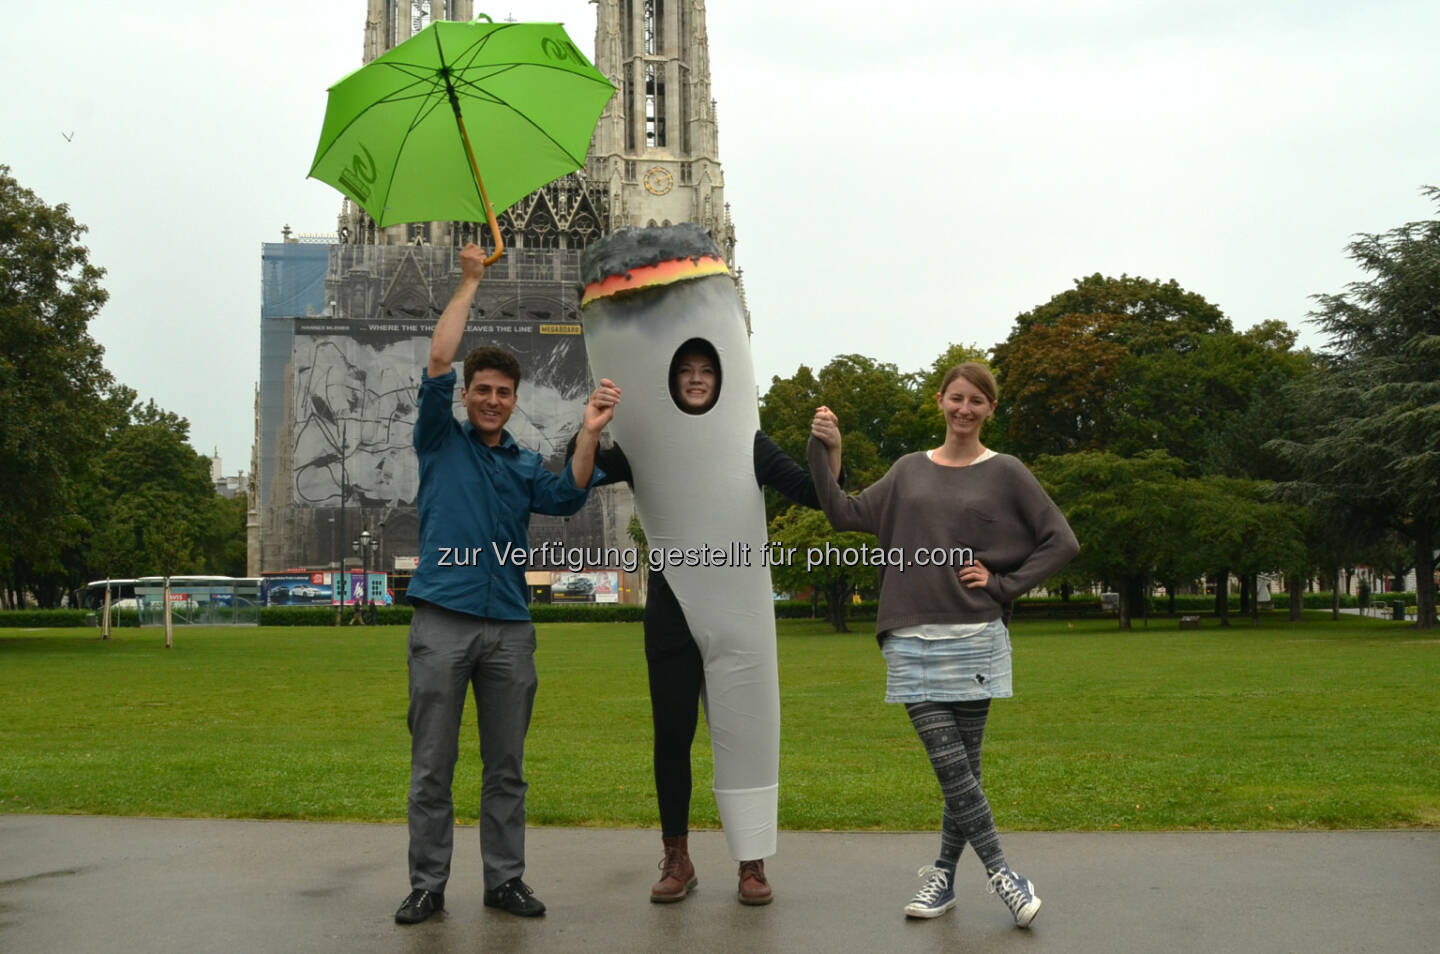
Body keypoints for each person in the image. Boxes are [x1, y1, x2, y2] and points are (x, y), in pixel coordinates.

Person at [393, 243, 621, 926]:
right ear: (467, 397)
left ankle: (504, 881)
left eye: (503, 393)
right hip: (442, 620)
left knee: (506, 771)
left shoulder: (522, 463)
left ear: (514, 401)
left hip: (510, 630)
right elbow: (438, 359)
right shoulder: (440, 440)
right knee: (433, 768)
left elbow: (567, 496)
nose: (492, 400)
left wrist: (588, 433)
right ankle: (428, 884)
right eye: (482, 391)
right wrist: (468, 283)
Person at [807, 362, 1078, 929]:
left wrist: (1004, 585)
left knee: (963, 775)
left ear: (989, 410)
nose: (965, 409)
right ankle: (1005, 873)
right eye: (957, 398)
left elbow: (1061, 541)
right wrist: (825, 450)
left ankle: (943, 880)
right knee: (951, 768)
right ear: (941, 401)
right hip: (909, 637)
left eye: (977, 401)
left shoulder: (1006, 472)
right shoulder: (908, 471)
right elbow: (842, 511)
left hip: (976, 638)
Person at [572, 340, 841, 906]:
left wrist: (830, 452)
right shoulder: (643, 445)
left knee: (743, 734)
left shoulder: (750, 443)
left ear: (723, 382)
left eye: (707, 371)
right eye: (686, 372)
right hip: (672, 611)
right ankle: (677, 856)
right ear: (670, 381)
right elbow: (574, 480)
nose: (696, 380)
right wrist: (592, 428)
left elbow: (818, 497)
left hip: (738, 612)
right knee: (672, 737)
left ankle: (751, 861)